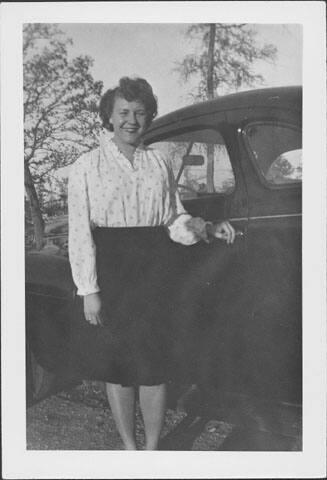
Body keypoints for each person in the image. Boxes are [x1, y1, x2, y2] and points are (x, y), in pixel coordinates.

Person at [68, 76, 235, 450]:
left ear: (149, 118)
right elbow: (79, 232)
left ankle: (152, 449)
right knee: (120, 368)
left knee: (155, 368)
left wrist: (205, 227)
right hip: (112, 271)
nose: (132, 120)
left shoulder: (158, 162)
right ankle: (130, 447)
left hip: (156, 273)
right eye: (123, 112)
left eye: (140, 113)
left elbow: (174, 220)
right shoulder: (86, 166)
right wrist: (89, 290)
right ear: (108, 117)